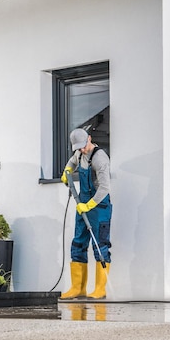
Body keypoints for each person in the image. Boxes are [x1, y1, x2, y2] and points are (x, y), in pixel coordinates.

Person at [60, 128, 112, 299]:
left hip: (99, 208)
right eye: (78, 148)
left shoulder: (100, 158)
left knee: (100, 246)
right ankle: (78, 288)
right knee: (78, 243)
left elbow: (105, 187)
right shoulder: (79, 154)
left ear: (89, 139)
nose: (82, 150)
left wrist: (89, 205)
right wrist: (66, 172)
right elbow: (72, 162)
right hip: (82, 205)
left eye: (83, 146)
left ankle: (100, 289)